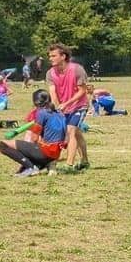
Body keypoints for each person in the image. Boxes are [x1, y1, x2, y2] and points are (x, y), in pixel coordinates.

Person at [0, 88, 69, 176]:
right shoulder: (60, 114)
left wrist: (26, 153)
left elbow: (34, 139)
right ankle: (44, 165)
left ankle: (31, 168)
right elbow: (66, 138)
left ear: (36, 102)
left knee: (2, 145)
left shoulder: (42, 113)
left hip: (45, 153)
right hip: (55, 154)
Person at [45, 43, 89, 171]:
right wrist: (56, 108)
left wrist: (66, 104)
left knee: (71, 131)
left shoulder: (77, 69)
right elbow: (53, 93)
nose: (50, 58)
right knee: (77, 133)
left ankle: (69, 165)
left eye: (54, 56)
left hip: (79, 105)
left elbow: (82, 91)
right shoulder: (50, 73)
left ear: (63, 56)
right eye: (49, 56)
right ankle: (85, 161)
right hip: (63, 108)